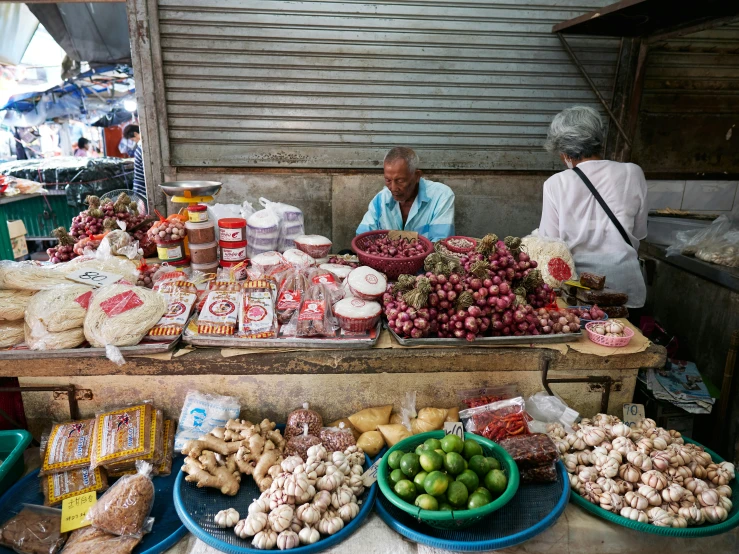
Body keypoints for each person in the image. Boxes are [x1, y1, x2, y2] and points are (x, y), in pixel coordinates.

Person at [539, 106, 647, 316]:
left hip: (579, 293)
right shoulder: (633, 173)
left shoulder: (556, 184)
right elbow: (641, 232)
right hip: (627, 289)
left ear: (564, 152)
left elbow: (550, 244)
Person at [356, 146, 455, 242]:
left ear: (417, 176)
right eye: (388, 180)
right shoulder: (381, 199)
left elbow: (440, 244)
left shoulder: (441, 196)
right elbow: (361, 238)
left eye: (400, 180)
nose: (393, 188)